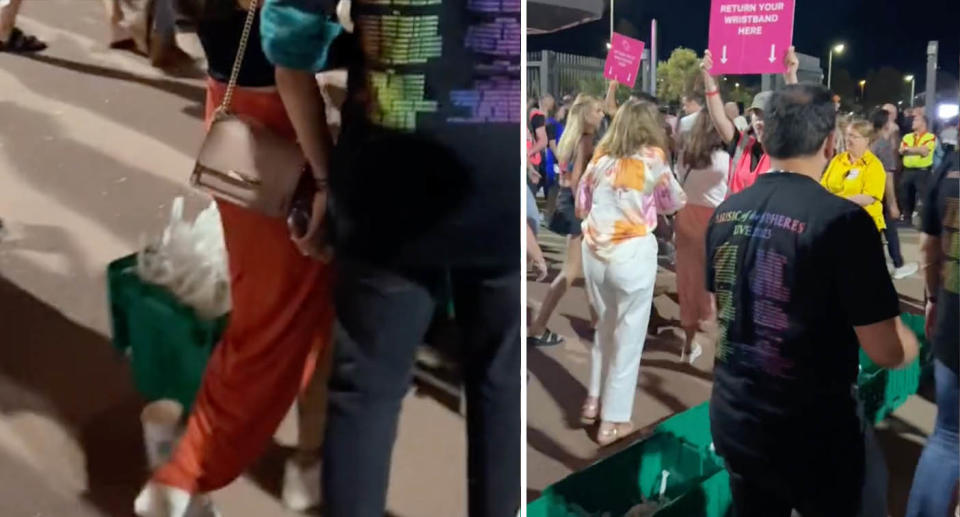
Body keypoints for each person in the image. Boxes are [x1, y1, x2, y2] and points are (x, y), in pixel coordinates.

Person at [262, 0, 521, 515]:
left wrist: (322, 177)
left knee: (366, 393)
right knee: (500, 383)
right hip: (502, 187)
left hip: (387, 188)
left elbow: (289, 46)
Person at [133, 0, 337, 515]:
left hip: (235, 108)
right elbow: (291, 63)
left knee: (315, 313)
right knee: (268, 325)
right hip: (281, 130)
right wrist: (326, 175)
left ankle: (308, 464)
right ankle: (181, 479)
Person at [706, 83, 918, 516]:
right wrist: (910, 344)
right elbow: (885, 349)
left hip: (734, 417)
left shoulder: (726, 212)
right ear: (828, 143)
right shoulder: (842, 221)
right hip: (812, 433)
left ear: (764, 137)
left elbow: (719, 316)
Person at [578, 99, 687, 446]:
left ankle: (593, 399)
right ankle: (613, 421)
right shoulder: (653, 158)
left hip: (594, 251)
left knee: (605, 326)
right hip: (632, 256)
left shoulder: (601, 157)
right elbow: (674, 202)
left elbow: (581, 203)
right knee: (628, 339)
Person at [905, 144, 959, 517]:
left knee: (948, 437)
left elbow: (927, 247)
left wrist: (933, 300)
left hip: (954, 318)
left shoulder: (950, 168)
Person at [528, 95, 604, 347]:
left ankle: (597, 322)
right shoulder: (584, 139)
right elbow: (576, 182)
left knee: (589, 266)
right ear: (585, 114)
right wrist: (587, 212)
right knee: (570, 272)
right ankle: (538, 326)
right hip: (576, 207)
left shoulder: (571, 137)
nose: (601, 114)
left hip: (568, 203)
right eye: (597, 110)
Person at [700, 46, 799, 196]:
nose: (759, 121)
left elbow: (799, 116)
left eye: (767, 116)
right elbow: (719, 118)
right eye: (756, 114)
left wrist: (790, 77)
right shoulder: (742, 145)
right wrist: (709, 80)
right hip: (734, 218)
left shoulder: (786, 151)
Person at [674, 108, 729, 365]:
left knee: (688, 284)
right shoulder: (723, 159)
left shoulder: (685, 156)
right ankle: (722, 349)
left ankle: (688, 345)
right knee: (719, 287)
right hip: (715, 222)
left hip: (685, 219)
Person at [871, 108, 919, 279]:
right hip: (881, 195)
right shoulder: (883, 145)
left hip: (869, 194)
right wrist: (892, 204)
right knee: (890, 229)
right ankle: (898, 264)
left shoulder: (870, 142)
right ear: (886, 124)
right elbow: (888, 176)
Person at [821, 118, 887, 232]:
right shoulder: (838, 160)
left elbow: (868, 198)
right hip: (836, 220)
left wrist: (838, 202)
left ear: (866, 140)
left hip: (863, 223)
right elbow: (823, 186)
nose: (848, 140)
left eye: (853, 136)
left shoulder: (874, 165)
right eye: (847, 135)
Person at [900, 114, 937, 224]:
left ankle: (926, 220)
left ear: (923, 123)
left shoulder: (930, 137)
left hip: (923, 171)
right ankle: (907, 217)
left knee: (924, 196)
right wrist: (916, 150)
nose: (913, 122)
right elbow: (901, 150)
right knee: (905, 195)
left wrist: (908, 149)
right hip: (908, 171)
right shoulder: (907, 137)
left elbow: (924, 151)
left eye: (916, 120)